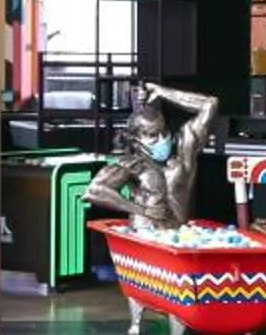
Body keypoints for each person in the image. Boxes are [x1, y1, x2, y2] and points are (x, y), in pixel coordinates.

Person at [83, 82, 225, 228]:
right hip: (144, 236)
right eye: (153, 135)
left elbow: (210, 104)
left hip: (178, 235)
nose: (162, 139)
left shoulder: (183, 154)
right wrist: (142, 210)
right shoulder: (132, 165)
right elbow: (94, 192)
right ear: (136, 139)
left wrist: (161, 91)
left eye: (164, 131)